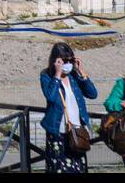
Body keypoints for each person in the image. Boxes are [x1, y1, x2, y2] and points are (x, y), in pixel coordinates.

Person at [39, 42, 97, 173]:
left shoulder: (74, 76)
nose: (68, 63)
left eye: (70, 59)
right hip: (58, 132)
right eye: (64, 60)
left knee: (78, 168)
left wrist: (82, 73)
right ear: (56, 60)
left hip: (77, 132)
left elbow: (93, 94)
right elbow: (51, 97)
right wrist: (57, 75)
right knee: (59, 168)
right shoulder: (46, 76)